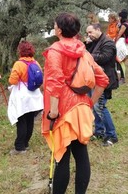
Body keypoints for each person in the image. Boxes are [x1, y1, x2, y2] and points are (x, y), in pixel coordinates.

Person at [41, 12, 109, 194]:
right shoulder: (83, 51)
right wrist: (90, 103)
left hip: (63, 111)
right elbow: (102, 79)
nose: (54, 27)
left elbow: (54, 84)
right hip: (82, 109)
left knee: (62, 158)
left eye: (55, 25)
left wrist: (53, 113)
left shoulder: (55, 51)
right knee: (81, 155)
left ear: (60, 30)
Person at [8, 41, 44, 154]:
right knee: (30, 120)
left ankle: (19, 147)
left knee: (21, 120)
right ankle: (26, 143)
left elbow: (12, 80)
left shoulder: (18, 64)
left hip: (22, 96)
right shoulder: (36, 62)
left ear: (20, 51)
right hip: (34, 95)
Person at [86, 23, 119, 146]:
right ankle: (99, 131)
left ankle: (111, 135)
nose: (89, 35)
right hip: (95, 79)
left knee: (100, 107)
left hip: (104, 79)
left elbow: (104, 57)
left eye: (90, 32)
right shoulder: (95, 42)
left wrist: (87, 55)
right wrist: (87, 44)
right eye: (87, 33)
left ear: (98, 29)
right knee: (95, 105)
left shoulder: (108, 42)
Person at [114, 9, 128, 83]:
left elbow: (119, 34)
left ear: (121, 16)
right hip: (122, 42)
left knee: (119, 60)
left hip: (120, 43)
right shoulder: (124, 24)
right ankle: (120, 77)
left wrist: (114, 42)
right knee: (119, 60)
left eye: (119, 16)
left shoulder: (124, 25)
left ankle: (122, 78)